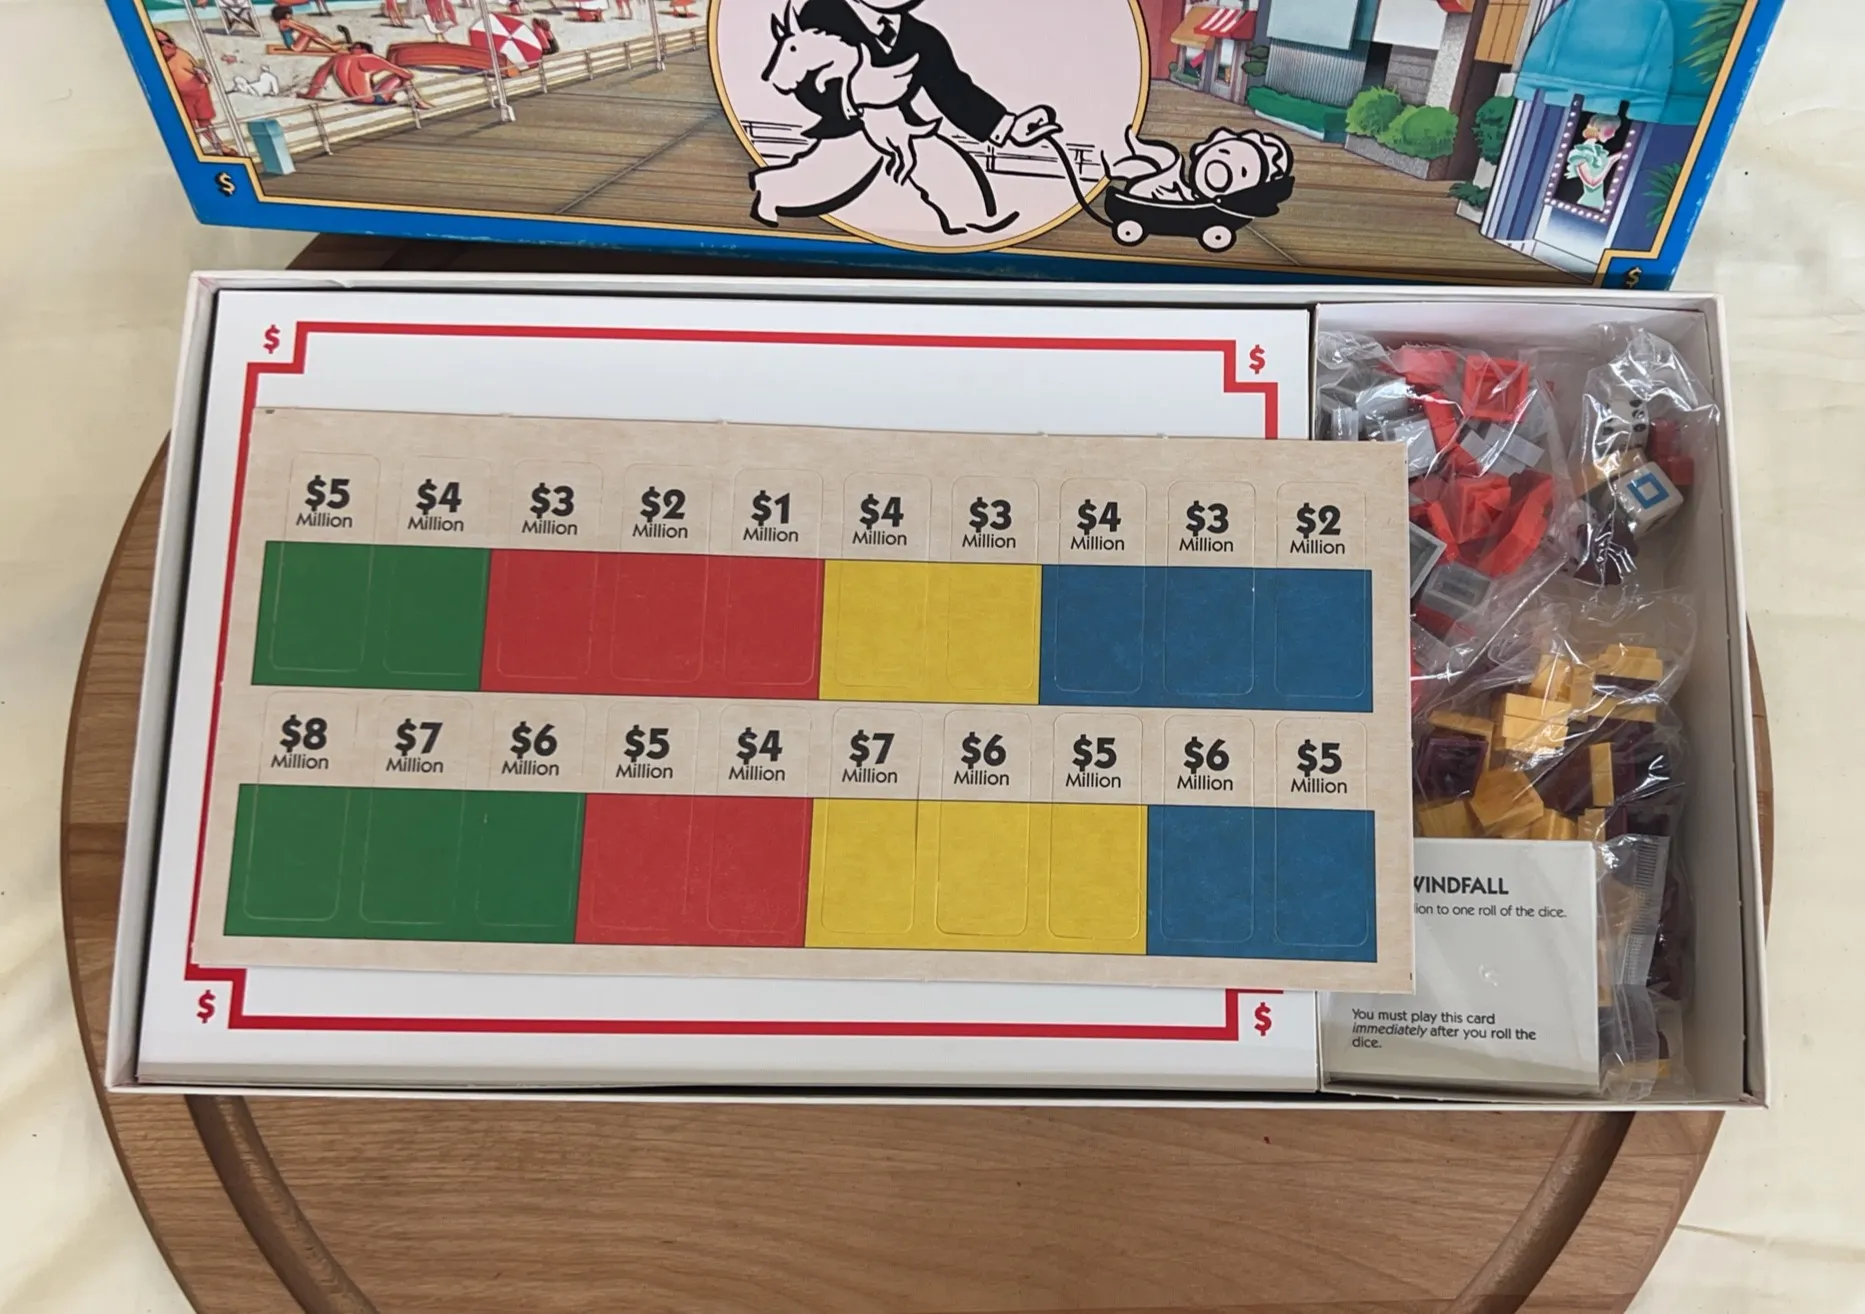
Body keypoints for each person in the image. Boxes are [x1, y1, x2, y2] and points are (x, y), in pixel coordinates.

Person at [303, 34, 433, 107]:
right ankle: (420, 103)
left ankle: (420, 102)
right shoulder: (369, 58)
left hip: (355, 98)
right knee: (400, 78)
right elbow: (407, 75)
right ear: (365, 50)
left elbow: (321, 75)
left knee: (370, 81)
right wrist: (382, 68)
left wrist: (310, 94)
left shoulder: (337, 59)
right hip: (371, 100)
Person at [155, 29, 227, 153]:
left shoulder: (182, 54)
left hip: (200, 93)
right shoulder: (157, 62)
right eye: (161, 43)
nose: (168, 45)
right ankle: (195, 151)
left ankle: (220, 147)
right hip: (182, 97)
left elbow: (199, 71)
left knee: (205, 122)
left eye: (169, 41)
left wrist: (203, 76)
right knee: (190, 125)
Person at [1565, 114, 1624, 211]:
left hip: (1599, 203)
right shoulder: (1581, 153)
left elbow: (1604, 162)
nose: (1613, 135)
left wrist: (1618, 156)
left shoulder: (1597, 150)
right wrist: (1610, 163)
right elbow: (1592, 183)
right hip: (1588, 204)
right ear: (1599, 129)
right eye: (1610, 131)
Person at [272, 5, 344, 53]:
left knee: (309, 31)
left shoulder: (288, 20)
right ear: (282, 14)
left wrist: (316, 32)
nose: (290, 15)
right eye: (288, 14)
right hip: (294, 47)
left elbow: (304, 26)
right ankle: (331, 46)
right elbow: (301, 30)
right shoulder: (283, 22)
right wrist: (318, 35)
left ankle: (330, 44)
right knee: (307, 33)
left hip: (296, 44)